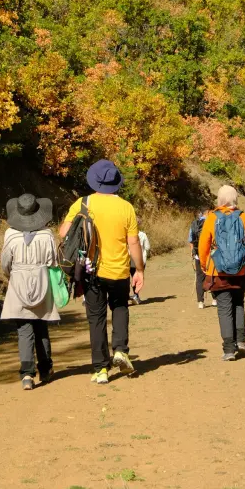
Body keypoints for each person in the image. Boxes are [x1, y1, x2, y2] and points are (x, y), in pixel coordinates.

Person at [60, 159, 145, 384]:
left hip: (91, 271)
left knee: (96, 318)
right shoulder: (126, 207)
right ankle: (120, 350)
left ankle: (100, 370)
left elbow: (63, 233)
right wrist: (139, 270)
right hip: (119, 270)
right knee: (120, 307)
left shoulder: (82, 203)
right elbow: (134, 242)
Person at [197, 185, 245, 361]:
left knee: (224, 309)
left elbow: (203, 245)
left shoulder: (212, 218)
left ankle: (229, 350)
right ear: (235, 199)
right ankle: (241, 342)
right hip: (241, 271)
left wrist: (204, 265)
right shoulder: (244, 218)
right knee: (238, 303)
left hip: (218, 272)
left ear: (220, 199)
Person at [0, 193, 60, 390]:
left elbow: (5, 264)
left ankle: (27, 375)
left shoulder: (10, 235)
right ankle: (45, 369)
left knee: (24, 330)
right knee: (41, 326)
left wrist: (14, 274)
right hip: (41, 280)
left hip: (18, 282)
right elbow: (52, 261)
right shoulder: (47, 235)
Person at [188, 211, 210, 308]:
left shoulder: (194, 224)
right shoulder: (211, 222)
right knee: (212, 275)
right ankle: (214, 299)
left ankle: (200, 302)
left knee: (199, 277)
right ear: (207, 212)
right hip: (211, 255)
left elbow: (191, 240)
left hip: (198, 255)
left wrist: (193, 252)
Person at [129, 231, 151, 306]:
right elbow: (147, 247)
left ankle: (129, 296)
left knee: (130, 278)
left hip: (130, 261)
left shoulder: (127, 235)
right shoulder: (143, 235)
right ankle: (136, 295)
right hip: (141, 261)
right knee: (138, 279)